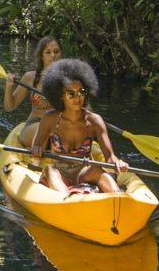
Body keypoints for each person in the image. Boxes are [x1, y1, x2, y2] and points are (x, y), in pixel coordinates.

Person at [30, 57, 118, 196]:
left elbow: (110, 157)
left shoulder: (95, 121)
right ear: (61, 96)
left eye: (81, 92)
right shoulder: (50, 119)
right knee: (50, 170)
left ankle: (117, 196)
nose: (78, 98)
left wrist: (117, 163)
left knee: (96, 169)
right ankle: (66, 200)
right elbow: (35, 152)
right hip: (58, 171)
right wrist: (36, 150)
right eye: (71, 94)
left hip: (84, 171)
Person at [2, 35, 62, 138]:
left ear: (61, 54)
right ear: (41, 56)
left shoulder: (70, 80)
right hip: (35, 124)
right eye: (48, 52)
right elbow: (9, 107)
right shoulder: (30, 77)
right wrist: (8, 87)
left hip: (60, 126)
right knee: (44, 129)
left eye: (56, 51)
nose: (53, 55)